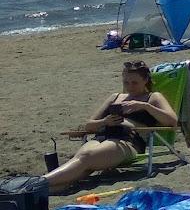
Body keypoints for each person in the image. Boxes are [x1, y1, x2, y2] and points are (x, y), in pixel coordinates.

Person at [44, 59, 179, 193]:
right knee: (84, 160)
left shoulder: (152, 97)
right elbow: (89, 125)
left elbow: (172, 121)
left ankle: (38, 183)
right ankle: (45, 189)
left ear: (145, 80)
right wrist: (105, 122)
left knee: (86, 157)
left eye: (134, 82)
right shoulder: (115, 97)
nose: (130, 86)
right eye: (126, 82)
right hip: (101, 136)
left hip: (127, 140)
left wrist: (145, 106)